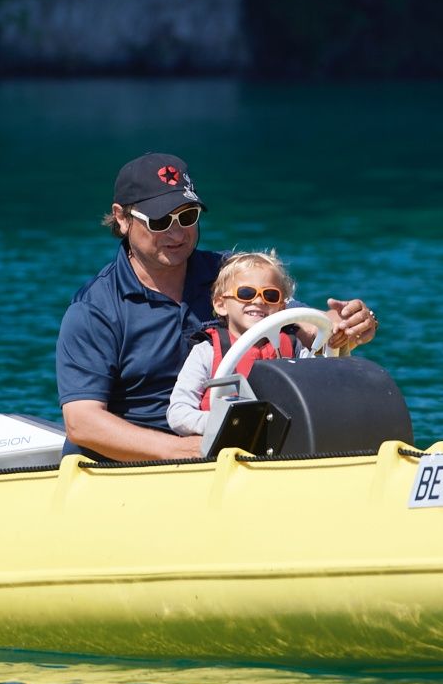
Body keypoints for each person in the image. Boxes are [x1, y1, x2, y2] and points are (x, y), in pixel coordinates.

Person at [55, 152, 378, 460]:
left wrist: (343, 325)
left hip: (234, 450)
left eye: (187, 216)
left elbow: (304, 321)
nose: (177, 232)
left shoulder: (233, 277)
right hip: (139, 467)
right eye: (160, 221)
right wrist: (182, 451)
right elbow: (82, 422)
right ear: (123, 219)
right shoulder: (94, 309)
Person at [165, 249, 319, 436]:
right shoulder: (206, 352)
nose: (259, 300)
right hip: (225, 450)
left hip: (284, 445)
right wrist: (223, 423)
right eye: (246, 293)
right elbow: (178, 414)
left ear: (282, 308)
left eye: (270, 296)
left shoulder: (295, 348)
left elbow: (316, 392)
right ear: (221, 305)